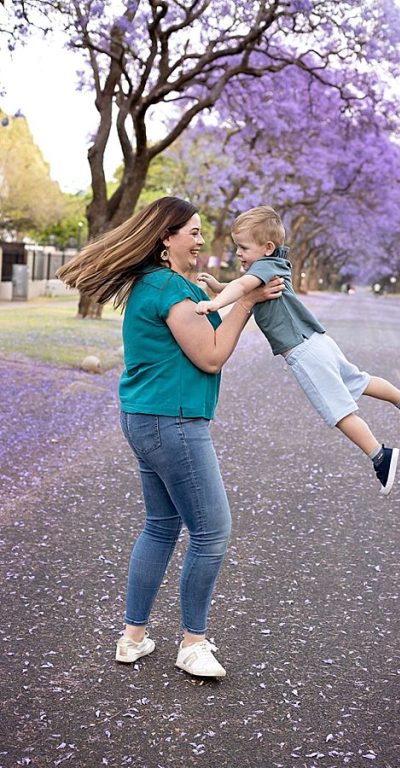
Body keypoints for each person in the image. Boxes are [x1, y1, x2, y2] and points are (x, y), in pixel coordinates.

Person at [56, 196, 285, 678]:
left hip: (147, 418)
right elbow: (212, 356)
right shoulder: (170, 291)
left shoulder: (160, 285)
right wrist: (247, 297)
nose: (202, 241)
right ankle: (193, 644)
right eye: (194, 232)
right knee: (212, 531)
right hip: (171, 422)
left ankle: (133, 638)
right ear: (167, 239)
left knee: (161, 525)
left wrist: (234, 294)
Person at [194, 206, 400, 496]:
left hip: (302, 351)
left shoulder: (261, 268)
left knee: (337, 410)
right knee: (359, 380)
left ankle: (380, 455)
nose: (237, 253)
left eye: (243, 247)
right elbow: (243, 286)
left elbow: (242, 286)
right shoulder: (274, 265)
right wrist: (218, 286)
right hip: (319, 341)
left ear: (267, 248)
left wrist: (215, 304)